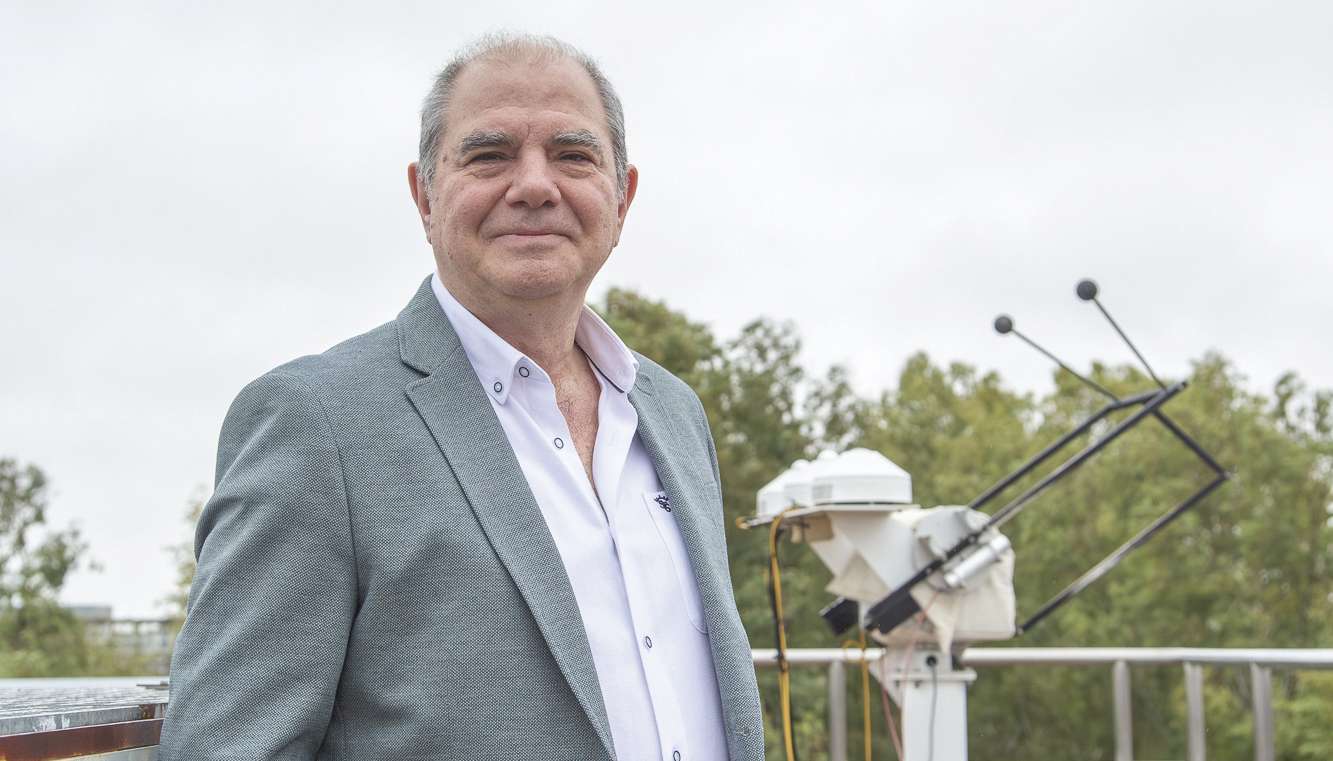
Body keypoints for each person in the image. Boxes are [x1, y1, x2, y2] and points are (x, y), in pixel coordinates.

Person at [158, 33, 764, 761]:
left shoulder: (670, 413)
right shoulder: (315, 426)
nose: (535, 185)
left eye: (573, 155)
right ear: (424, 194)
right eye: (489, 154)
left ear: (622, 196)